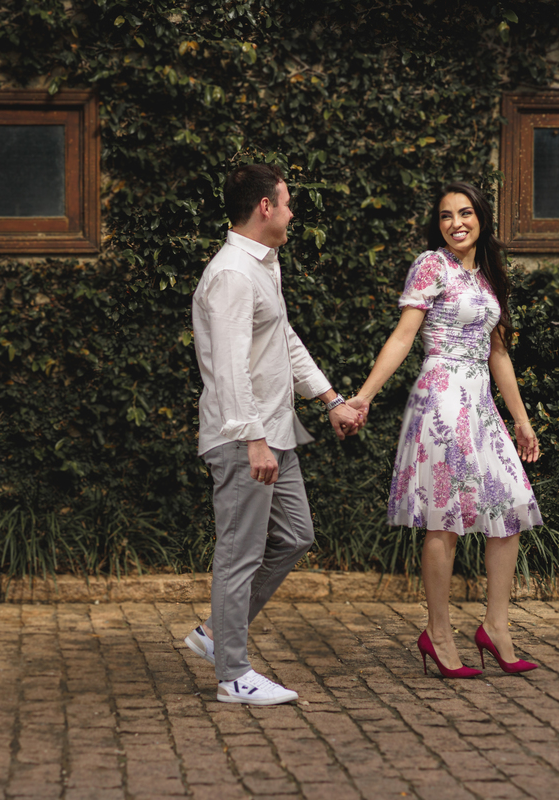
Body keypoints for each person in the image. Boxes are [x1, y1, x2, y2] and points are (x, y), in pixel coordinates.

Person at [347, 180, 542, 678]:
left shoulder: (490, 275)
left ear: (481, 218)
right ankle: (437, 633)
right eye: (446, 216)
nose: (456, 223)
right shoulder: (431, 265)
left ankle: (495, 627)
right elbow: (404, 336)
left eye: (465, 213)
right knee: (446, 516)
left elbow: (499, 353)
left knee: (512, 505)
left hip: (479, 402)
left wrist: (520, 421)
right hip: (441, 395)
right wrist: (364, 397)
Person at [186, 163, 363, 705]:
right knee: (239, 552)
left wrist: (329, 398)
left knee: (296, 535)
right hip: (247, 438)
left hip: (275, 433)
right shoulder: (233, 275)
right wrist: (252, 438)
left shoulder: (264, 266)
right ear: (265, 207)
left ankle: (216, 632)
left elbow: (281, 340)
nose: (291, 212)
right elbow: (230, 368)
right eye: (286, 203)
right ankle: (232, 675)